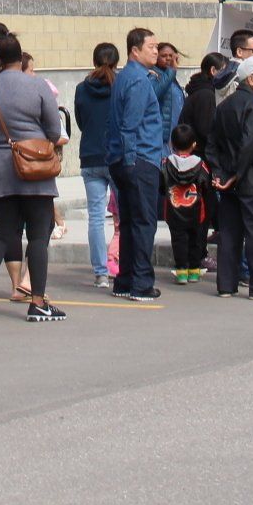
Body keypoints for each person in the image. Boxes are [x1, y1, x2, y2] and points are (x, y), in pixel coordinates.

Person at [0, 39, 67, 324]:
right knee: (37, 236)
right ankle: (37, 301)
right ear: (20, 58)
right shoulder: (37, 86)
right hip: (34, 166)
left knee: (1, 234)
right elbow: (53, 128)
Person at [207, 57, 253, 299]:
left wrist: (221, 174)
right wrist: (236, 174)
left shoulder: (224, 106)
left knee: (230, 233)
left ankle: (226, 285)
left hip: (229, 180)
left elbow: (212, 146)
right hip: (252, 179)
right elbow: (250, 144)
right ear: (251, 79)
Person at [106, 27, 165, 302]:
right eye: (151, 47)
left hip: (125, 159)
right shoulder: (138, 81)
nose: (156, 51)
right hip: (139, 159)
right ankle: (141, 283)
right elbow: (130, 125)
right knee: (143, 223)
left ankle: (125, 279)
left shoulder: (126, 77)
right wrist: (130, 162)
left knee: (129, 222)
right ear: (135, 50)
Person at [73, 43, 120, 288]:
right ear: (117, 61)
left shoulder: (82, 88)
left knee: (96, 218)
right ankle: (123, 265)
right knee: (124, 216)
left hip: (90, 156)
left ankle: (101, 272)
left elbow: (81, 121)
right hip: (116, 156)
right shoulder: (120, 86)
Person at [161, 125, 210, 285]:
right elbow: (206, 185)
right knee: (196, 240)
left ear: (172, 144)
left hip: (174, 211)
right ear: (194, 144)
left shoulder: (166, 164)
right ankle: (194, 271)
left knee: (178, 241)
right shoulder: (200, 164)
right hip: (196, 210)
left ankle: (181, 271)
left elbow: (161, 186)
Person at [151, 42, 185, 160]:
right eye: (164, 56)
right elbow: (155, 93)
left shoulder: (171, 76)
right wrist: (171, 71)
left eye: (171, 56)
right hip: (162, 137)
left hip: (175, 135)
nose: (168, 59)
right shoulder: (154, 75)